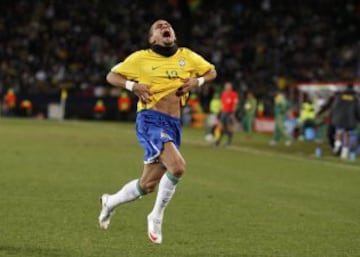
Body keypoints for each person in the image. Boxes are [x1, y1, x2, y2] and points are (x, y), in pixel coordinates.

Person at [99, 19, 217, 244]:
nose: (165, 26)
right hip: (151, 119)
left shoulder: (187, 56)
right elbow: (111, 76)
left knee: (147, 185)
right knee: (178, 166)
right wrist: (133, 86)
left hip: (173, 124)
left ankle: (110, 202)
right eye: (159, 26)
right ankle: (156, 216)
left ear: (173, 34)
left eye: (168, 25)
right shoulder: (141, 58)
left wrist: (197, 82)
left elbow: (212, 72)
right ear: (152, 38)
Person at [317, 83, 360, 159]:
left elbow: (334, 107)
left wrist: (332, 116)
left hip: (339, 118)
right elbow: (358, 109)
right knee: (347, 134)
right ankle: (345, 152)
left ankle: (337, 146)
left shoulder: (339, 96)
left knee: (339, 132)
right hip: (351, 119)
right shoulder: (355, 98)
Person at [215, 81, 239, 147]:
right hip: (223, 113)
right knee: (221, 127)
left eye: (227, 86)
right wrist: (219, 114)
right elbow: (222, 104)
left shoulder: (234, 94)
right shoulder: (224, 94)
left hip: (229, 113)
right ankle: (218, 142)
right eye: (226, 86)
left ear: (231, 87)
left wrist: (233, 113)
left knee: (229, 128)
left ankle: (228, 143)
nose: (226, 87)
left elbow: (235, 104)